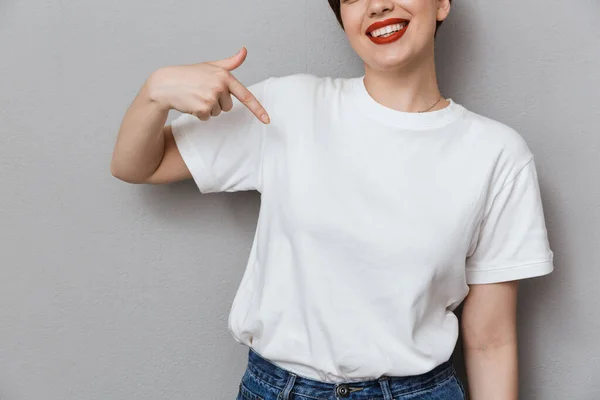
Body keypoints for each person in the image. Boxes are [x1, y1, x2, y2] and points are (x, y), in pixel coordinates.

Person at [110, 0, 554, 398]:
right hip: (278, 389)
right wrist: (154, 94)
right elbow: (138, 165)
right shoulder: (287, 108)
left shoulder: (497, 154)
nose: (377, 6)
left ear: (441, 3)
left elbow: (491, 341)